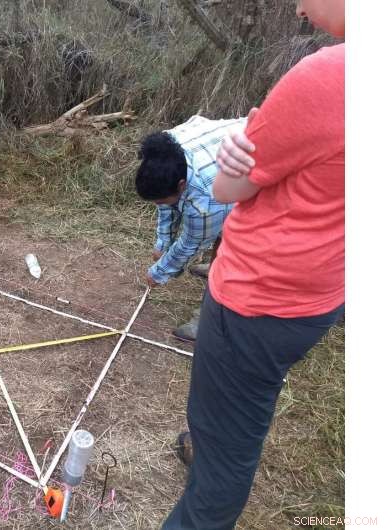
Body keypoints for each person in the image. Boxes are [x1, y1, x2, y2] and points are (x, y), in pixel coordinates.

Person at [162, 1, 345, 528]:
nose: (298, 7)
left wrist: (237, 158)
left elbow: (226, 189)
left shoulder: (331, 75)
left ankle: (212, 468)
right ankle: (212, 443)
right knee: (236, 414)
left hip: (261, 296)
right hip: (315, 295)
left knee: (228, 453)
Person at [135, 115, 244, 341]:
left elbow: (190, 244)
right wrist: (163, 242)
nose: (160, 204)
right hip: (231, 154)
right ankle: (217, 264)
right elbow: (165, 200)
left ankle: (210, 319)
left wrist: (160, 272)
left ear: (182, 185)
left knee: (236, 247)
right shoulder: (166, 152)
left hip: (269, 175)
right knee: (219, 227)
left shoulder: (206, 198)